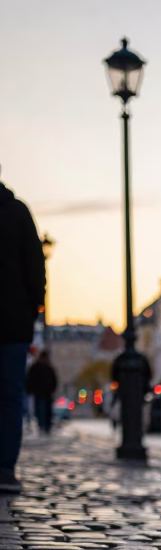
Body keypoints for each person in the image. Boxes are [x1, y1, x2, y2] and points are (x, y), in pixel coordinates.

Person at [0, 168, 46, 493]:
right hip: (13, 322)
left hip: (15, 321)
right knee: (9, 396)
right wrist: (34, 307)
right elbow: (35, 265)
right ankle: (4, 468)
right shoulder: (17, 213)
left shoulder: (17, 212)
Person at [25, 349, 58, 435]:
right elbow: (29, 379)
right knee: (41, 409)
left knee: (45, 410)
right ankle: (43, 426)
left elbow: (54, 380)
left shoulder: (47, 368)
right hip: (40, 392)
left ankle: (45, 426)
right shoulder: (39, 368)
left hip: (45, 392)